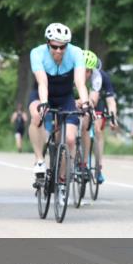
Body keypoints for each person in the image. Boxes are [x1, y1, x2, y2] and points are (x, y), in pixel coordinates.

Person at [27, 23, 90, 189]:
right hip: (43, 94)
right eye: (55, 47)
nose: (59, 51)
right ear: (48, 43)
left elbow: (80, 82)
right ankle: (40, 160)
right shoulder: (37, 53)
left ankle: (61, 179)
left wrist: (84, 103)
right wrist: (44, 102)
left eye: (63, 47)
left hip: (65, 97)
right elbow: (42, 82)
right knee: (36, 115)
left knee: (70, 139)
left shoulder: (76, 53)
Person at [81, 50, 118, 184]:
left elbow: (110, 100)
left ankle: (98, 167)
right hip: (75, 99)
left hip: (94, 103)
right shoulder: (72, 73)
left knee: (97, 130)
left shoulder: (101, 77)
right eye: (83, 70)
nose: (86, 74)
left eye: (89, 71)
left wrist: (113, 117)